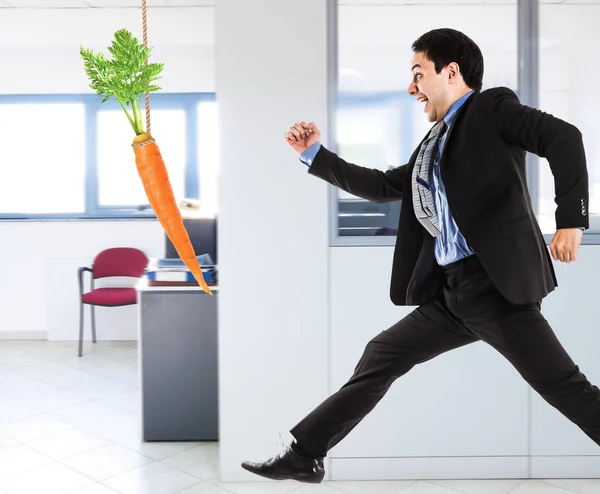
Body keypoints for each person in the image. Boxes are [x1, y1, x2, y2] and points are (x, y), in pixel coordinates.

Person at [241, 27, 598, 484]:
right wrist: (313, 154)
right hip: (454, 295)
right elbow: (385, 185)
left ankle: (305, 451)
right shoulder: (434, 144)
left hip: (496, 291)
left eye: (418, 74)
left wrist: (571, 221)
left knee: (563, 387)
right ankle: (305, 453)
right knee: (382, 353)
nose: (411, 88)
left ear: (451, 72)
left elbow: (564, 138)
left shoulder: (492, 109)